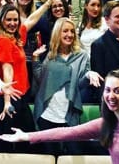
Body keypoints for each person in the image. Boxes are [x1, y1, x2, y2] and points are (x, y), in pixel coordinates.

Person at [31, 18, 103, 155]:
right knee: (50, 158)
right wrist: (35, 60)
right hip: (47, 113)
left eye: (72, 32)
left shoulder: (81, 56)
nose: (69, 35)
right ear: (58, 33)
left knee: (74, 155)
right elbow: (41, 80)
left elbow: (80, 84)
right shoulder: (50, 54)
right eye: (65, 31)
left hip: (69, 114)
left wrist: (89, 74)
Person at [0, 4, 35, 152]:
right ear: (1, 20)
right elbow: (7, 71)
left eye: (15, 20)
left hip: (18, 95)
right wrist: (7, 103)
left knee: (25, 137)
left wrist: (48, 3)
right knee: (7, 142)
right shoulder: (3, 41)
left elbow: (30, 21)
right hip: (6, 97)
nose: (12, 23)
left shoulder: (16, 37)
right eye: (8, 20)